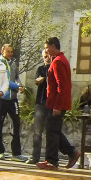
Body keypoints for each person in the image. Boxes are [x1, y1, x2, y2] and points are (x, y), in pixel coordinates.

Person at [36, 37, 80, 171]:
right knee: (53, 131)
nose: (46, 51)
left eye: (47, 47)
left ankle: (53, 160)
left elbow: (62, 86)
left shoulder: (58, 62)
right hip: (54, 102)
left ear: (54, 47)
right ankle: (69, 153)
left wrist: (57, 106)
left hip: (56, 103)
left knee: (52, 132)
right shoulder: (59, 60)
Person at [0, 44, 28, 162]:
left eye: (11, 51)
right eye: (8, 51)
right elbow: (3, 80)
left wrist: (20, 85)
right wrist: (16, 86)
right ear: (3, 51)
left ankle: (16, 152)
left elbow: (16, 77)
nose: (10, 53)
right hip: (2, 97)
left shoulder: (13, 63)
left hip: (12, 99)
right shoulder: (0, 63)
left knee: (16, 123)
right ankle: (0, 151)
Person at [26, 50, 50, 164]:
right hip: (40, 102)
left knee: (51, 131)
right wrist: (39, 80)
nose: (47, 58)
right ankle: (35, 157)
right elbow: (36, 80)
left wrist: (44, 79)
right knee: (37, 132)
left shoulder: (55, 67)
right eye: (45, 56)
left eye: (48, 56)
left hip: (50, 103)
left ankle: (49, 158)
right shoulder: (40, 69)